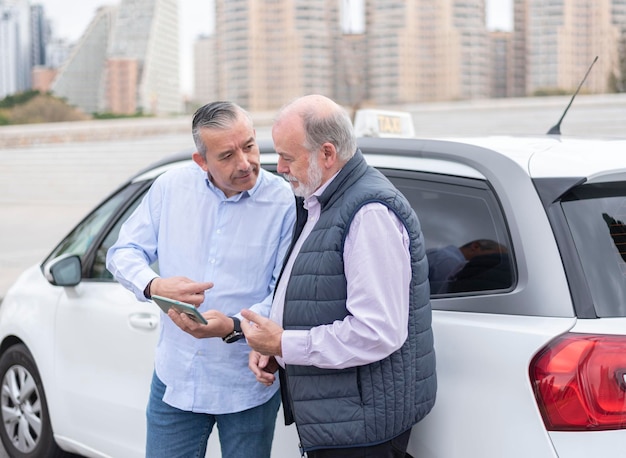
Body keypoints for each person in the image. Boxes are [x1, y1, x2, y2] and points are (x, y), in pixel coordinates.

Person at [240, 94, 437, 457]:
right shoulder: (319, 199)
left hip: (361, 430)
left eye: (287, 156)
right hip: (343, 419)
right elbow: (319, 296)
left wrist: (284, 344)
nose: (279, 167)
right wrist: (277, 349)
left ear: (327, 154)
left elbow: (376, 331)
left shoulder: (368, 213)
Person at [106, 101, 296, 458]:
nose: (244, 163)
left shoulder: (285, 201)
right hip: (175, 378)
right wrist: (153, 285)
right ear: (201, 161)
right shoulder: (169, 188)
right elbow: (123, 252)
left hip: (247, 384)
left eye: (249, 146)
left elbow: (282, 291)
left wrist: (233, 325)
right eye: (226, 155)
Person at [427, 239, 507, 293]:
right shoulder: (450, 262)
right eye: (496, 255)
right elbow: (441, 296)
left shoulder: (441, 255)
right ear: (475, 247)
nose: (497, 260)